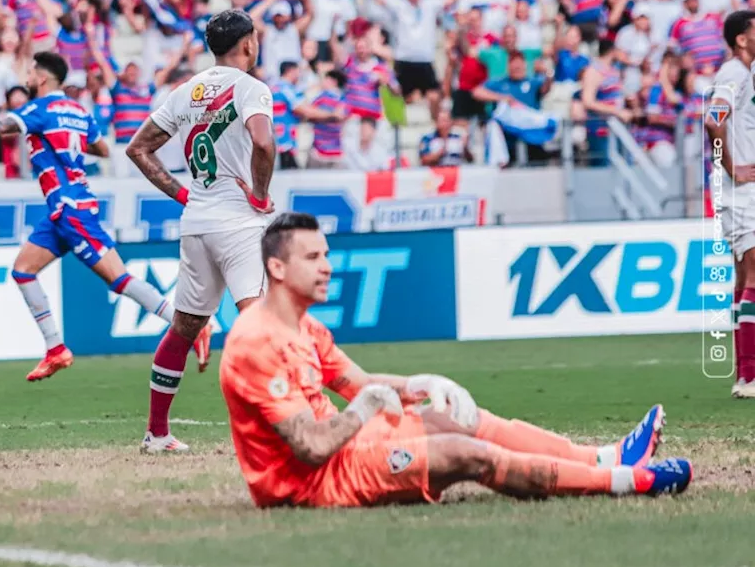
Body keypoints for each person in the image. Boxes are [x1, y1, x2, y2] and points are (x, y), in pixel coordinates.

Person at [219, 212, 691, 510]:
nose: (327, 266)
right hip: (314, 484)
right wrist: (363, 410)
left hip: (349, 445)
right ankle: (627, 480)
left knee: (456, 418)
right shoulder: (255, 342)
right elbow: (312, 448)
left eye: (326, 254)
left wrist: (421, 383)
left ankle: (603, 456)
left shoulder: (305, 326)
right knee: (470, 455)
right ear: (277, 269)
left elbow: (357, 382)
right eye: (313, 257)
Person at [0, 52, 177, 382]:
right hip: (62, 210)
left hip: (72, 208)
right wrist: (68, 142)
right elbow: (102, 149)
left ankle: (185, 326)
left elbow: (2, 125)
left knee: (118, 280)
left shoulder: (40, 109)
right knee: (23, 270)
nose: (28, 75)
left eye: (31, 71)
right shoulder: (79, 111)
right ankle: (55, 349)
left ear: (42, 78)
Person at [124, 9, 276, 453]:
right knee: (258, 326)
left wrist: (182, 195)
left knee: (184, 327)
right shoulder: (251, 88)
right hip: (239, 223)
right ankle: (268, 429)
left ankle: (156, 433)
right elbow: (263, 142)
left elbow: (139, 149)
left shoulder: (186, 89)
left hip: (198, 223)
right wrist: (262, 196)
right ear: (247, 44)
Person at [706, 10, 755, 399]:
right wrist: (730, 166)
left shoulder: (745, 73)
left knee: (744, 278)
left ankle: (745, 375)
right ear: (742, 38)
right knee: (752, 277)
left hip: (742, 189)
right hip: (741, 190)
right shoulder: (733, 74)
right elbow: (713, 120)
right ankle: (750, 376)